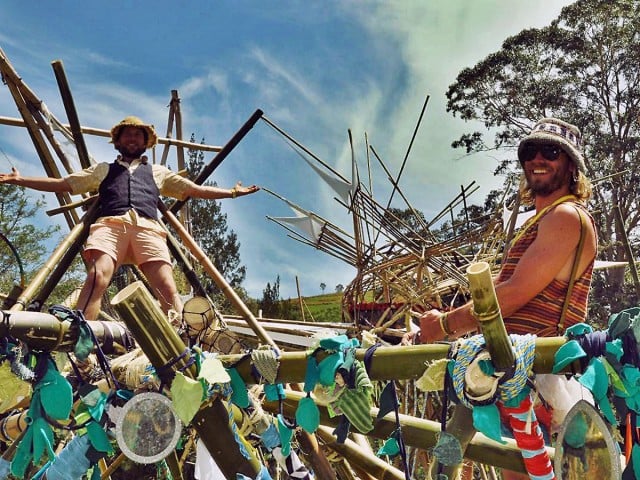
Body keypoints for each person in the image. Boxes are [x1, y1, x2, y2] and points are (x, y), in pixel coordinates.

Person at [403, 117, 597, 479]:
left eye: (551, 151)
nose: (538, 159)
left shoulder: (566, 216)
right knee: (464, 454)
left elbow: (510, 295)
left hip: (532, 373)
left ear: (571, 165)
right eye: (530, 151)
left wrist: (444, 325)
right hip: (508, 368)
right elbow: (501, 287)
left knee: (512, 468)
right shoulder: (542, 220)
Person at [0, 116, 259, 322]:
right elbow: (64, 184)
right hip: (111, 226)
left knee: (167, 288)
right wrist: (20, 180)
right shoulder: (104, 169)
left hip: (147, 228)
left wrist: (232, 192)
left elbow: (193, 189)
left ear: (146, 141)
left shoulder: (158, 172)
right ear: (118, 140)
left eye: (138, 135)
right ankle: (82, 333)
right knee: (97, 278)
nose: (133, 138)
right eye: (128, 134)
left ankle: (181, 341)